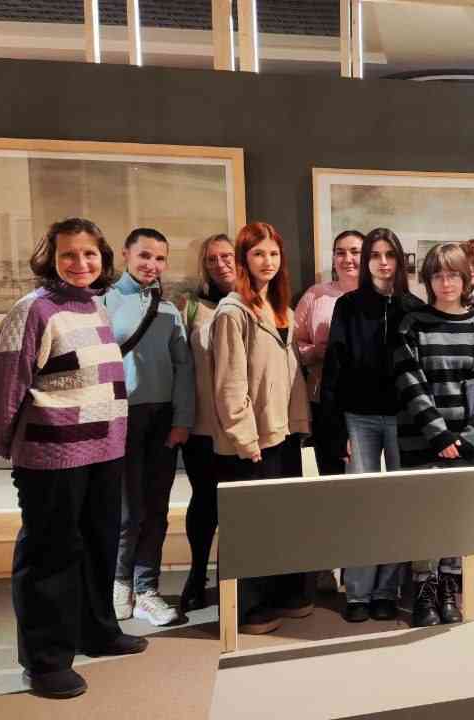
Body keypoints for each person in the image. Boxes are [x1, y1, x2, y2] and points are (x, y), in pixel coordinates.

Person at [0, 218, 147, 699]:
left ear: (103, 258)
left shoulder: (94, 305)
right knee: (50, 555)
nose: (80, 263)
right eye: (68, 254)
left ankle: (97, 630)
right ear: (50, 258)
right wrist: (12, 448)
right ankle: (45, 661)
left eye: (89, 254)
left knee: (98, 543)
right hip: (52, 456)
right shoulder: (32, 310)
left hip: (104, 451)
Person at [393, 242, 474, 627]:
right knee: (424, 518)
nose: (446, 283)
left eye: (453, 275)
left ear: (465, 278)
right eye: (438, 276)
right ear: (428, 281)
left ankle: (449, 590)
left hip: (469, 445)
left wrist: (471, 437)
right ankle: (424, 593)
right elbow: (410, 382)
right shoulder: (412, 324)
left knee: (458, 518)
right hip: (421, 441)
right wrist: (439, 436)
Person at [211, 222, 311, 635]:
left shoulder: (279, 306)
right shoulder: (232, 312)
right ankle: (247, 606)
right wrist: (244, 436)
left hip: (283, 432)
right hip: (254, 438)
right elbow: (229, 382)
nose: (267, 261)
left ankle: (282, 593)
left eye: (273, 253)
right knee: (250, 524)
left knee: (281, 518)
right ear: (243, 259)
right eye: (258, 254)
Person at [320, 228, 423, 624]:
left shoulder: (413, 307)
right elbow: (334, 368)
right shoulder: (348, 306)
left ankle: (386, 590)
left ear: (399, 260)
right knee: (360, 505)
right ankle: (359, 592)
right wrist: (335, 427)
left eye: (389, 255)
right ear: (366, 262)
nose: (382, 262)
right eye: (375, 255)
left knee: (397, 505)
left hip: (402, 418)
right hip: (357, 418)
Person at [99, 228, 195, 627]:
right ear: (126, 254)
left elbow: (184, 368)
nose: (152, 265)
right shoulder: (102, 303)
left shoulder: (169, 311)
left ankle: (147, 588)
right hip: (119, 418)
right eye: (144, 255)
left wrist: (182, 420)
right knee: (127, 511)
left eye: (159, 258)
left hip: (162, 421)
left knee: (156, 508)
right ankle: (119, 582)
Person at [175, 233, 238, 614]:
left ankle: (235, 580)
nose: (220, 264)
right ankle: (197, 574)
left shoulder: (253, 302)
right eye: (212, 258)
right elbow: (181, 368)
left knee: (239, 508)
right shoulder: (190, 307)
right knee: (204, 503)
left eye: (227, 256)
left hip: (241, 428)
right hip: (201, 425)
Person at [295, 230, 363, 476]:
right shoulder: (315, 294)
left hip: (364, 403)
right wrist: (315, 352)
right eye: (340, 253)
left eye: (355, 252)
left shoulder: (379, 296)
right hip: (322, 398)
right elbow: (293, 343)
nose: (347, 259)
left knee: (364, 474)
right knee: (330, 472)